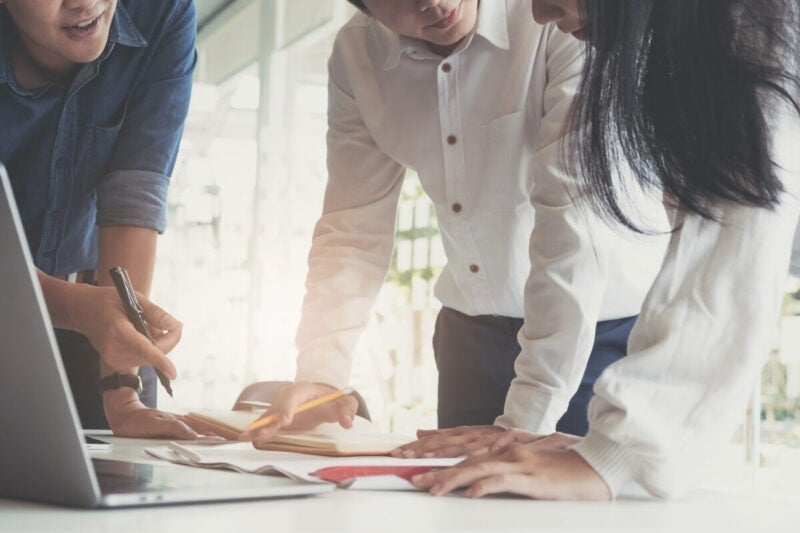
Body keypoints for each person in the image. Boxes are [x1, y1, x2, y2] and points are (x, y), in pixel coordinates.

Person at [408, 0, 800, 500]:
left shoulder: (752, 20)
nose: (541, 13)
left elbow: (731, 243)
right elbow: (701, 240)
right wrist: (603, 448)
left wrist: (616, 455)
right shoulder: (686, 51)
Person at [242, 0, 668, 445]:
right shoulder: (356, 57)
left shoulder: (561, 18)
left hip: (604, 333)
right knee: (458, 506)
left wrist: (525, 422)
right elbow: (354, 226)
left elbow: (575, 224)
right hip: (472, 340)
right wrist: (322, 372)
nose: (430, 2)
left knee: (593, 508)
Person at [0, 0, 198, 438]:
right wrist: (72, 305)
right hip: (71, 308)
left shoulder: (163, 13)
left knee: (124, 485)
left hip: (93, 317)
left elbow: (134, 193)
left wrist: (121, 387)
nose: (85, 3)